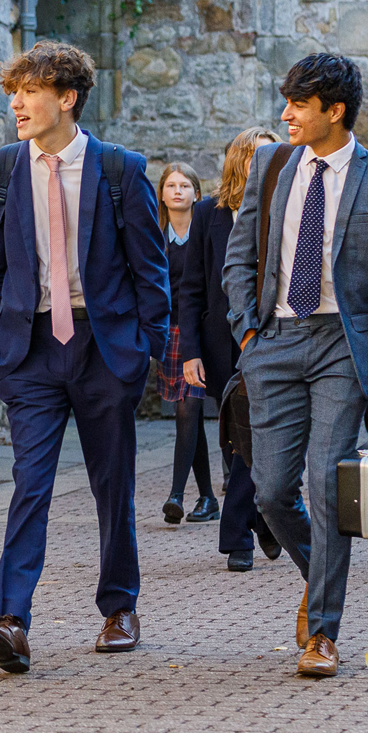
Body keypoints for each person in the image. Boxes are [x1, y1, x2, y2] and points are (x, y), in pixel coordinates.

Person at [0, 41, 168, 674]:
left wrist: (145, 350)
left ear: (67, 98)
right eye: (14, 91)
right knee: (31, 481)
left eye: (30, 91)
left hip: (102, 347)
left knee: (113, 484)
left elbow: (150, 269)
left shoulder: (118, 169)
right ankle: (12, 619)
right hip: (29, 350)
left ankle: (119, 606)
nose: (17, 103)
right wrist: (7, 324)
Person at [223, 52, 368, 679]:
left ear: (334, 111)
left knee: (328, 491)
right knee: (272, 491)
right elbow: (240, 253)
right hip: (273, 341)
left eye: (299, 104)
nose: (286, 114)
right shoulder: (273, 167)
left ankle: (323, 633)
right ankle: (319, 577)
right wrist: (247, 330)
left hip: (340, 348)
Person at [175, 129, 285, 572]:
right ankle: (263, 517)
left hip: (273, 337)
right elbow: (191, 287)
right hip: (219, 343)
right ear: (240, 162)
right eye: (260, 156)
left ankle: (236, 530)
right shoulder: (208, 213)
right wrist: (190, 352)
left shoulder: (287, 210)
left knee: (256, 433)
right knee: (237, 436)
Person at [157, 160, 217, 525]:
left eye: (184, 186)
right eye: (170, 186)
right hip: (168, 333)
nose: (177, 191)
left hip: (197, 333)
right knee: (188, 415)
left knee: (188, 409)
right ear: (162, 194)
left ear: (196, 193)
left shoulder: (205, 230)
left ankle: (176, 494)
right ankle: (208, 497)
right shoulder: (154, 236)